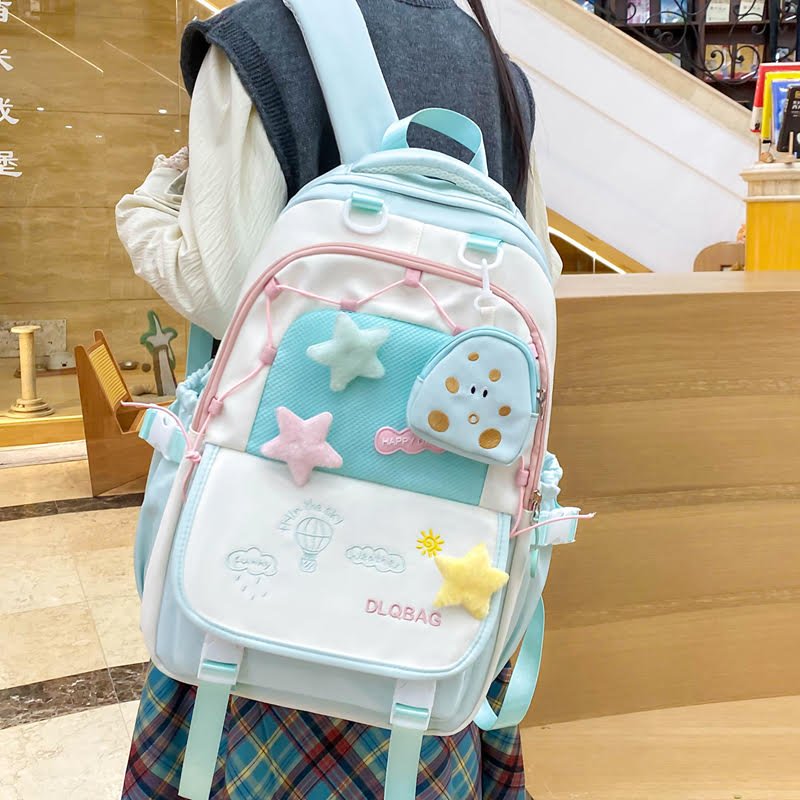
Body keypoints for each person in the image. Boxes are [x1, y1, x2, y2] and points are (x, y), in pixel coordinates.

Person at [117, 1, 561, 797]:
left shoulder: (257, 38)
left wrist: (146, 210)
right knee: (425, 710)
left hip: (261, 525)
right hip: (444, 551)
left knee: (225, 666)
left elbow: (225, 289)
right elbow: (533, 282)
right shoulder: (501, 71)